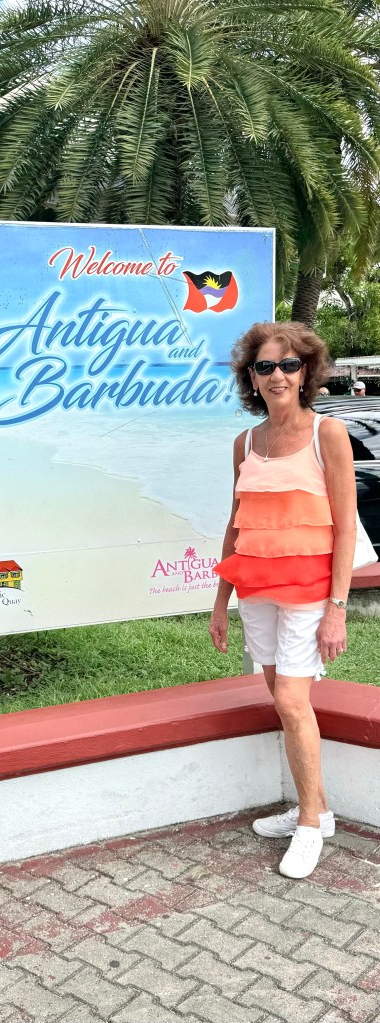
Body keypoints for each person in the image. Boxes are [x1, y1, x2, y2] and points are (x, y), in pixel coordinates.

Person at [210, 322, 356, 880]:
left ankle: (310, 827)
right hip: (256, 591)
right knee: (280, 696)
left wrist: (337, 608)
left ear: (306, 373)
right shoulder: (245, 444)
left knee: (293, 702)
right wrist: (220, 601)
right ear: (252, 377)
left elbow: (346, 527)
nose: (278, 375)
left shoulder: (328, 434)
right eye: (266, 366)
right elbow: (237, 524)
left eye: (289, 365)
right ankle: (319, 807)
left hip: (310, 594)